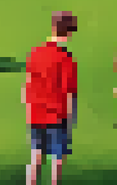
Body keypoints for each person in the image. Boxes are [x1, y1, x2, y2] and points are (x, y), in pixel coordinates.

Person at [26, 11, 78, 185]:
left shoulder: (35, 52)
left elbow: (28, 84)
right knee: (57, 160)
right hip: (57, 115)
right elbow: (69, 93)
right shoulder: (66, 59)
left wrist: (30, 110)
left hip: (36, 113)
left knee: (35, 157)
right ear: (69, 32)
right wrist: (70, 121)